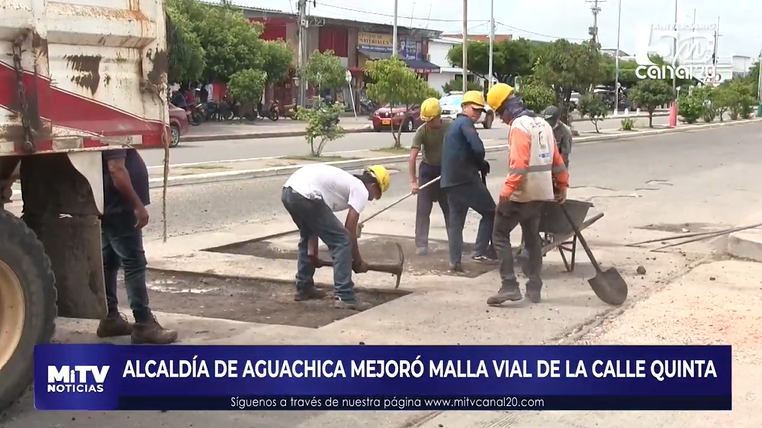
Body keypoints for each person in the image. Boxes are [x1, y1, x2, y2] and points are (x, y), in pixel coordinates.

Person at [485, 84, 569, 305]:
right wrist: (562, 186)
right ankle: (534, 287)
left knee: (500, 235)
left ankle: (509, 286)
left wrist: (507, 190)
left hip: (522, 192)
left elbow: (519, 164)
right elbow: (557, 161)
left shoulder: (519, 127)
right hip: (542, 194)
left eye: (499, 114)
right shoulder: (543, 124)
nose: (501, 120)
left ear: (505, 108)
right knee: (532, 239)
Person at [281, 164, 390, 311]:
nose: (372, 199)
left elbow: (313, 225)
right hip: (305, 195)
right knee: (342, 241)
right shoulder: (361, 189)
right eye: (376, 194)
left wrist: (312, 253)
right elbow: (349, 231)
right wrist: (357, 261)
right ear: (372, 185)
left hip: (289, 193)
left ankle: (304, 286)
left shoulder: (343, 184)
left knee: (307, 236)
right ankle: (345, 296)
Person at [97, 149, 178, 344]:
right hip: (120, 207)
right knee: (134, 262)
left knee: (109, 260)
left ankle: (110, 318)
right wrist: (137, 205)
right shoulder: (114, 127)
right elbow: (116, 169)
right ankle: (144, 323)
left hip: (108, 206)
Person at [440, 90, 497, 272]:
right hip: (465, 179)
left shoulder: (453, 125)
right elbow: (478, 148)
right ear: (464, 107)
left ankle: (454, 262)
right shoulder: (465, 123)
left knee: (456, 223)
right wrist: (481, 163)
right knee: (490, 211)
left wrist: (477, 163)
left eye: (480, 111)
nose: (478, 114)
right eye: (475, 109)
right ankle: (479, 252)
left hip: (450, 182)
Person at [409, 98, 451, 255]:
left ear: (438, 116)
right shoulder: (422, 131)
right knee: (423, 210)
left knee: (449, 209)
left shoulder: (450, 127)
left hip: (445, 171)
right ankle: (421, 244)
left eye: (431, 120)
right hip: (427, 171)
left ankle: (454, 242)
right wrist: (414, 182)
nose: (428, 123)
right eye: (426, 120)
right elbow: (412, 157)